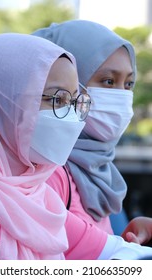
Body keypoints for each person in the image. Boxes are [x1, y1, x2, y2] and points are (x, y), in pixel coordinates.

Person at [32, 19, 152, 259]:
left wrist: (125, 240)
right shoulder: (45, 172)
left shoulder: (99, 169)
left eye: (128, 83)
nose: (121, 95)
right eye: (108, 81)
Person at [0, 32, 89, 259]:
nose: (71, 116)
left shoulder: (36, 192)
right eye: (56, 99)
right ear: (2, 104)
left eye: (74, 101)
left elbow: (105, 248)